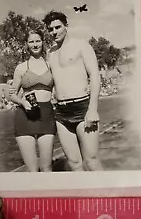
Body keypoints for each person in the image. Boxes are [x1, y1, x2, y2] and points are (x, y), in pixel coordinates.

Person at [43, 10, 103, 171]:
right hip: (61, 113)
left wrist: (92, 109)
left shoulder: (81, 46)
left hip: (82, 107)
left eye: (57, 27)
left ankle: (106, 195)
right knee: (74, 163)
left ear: (66, 26)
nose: (54, 32)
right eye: (50, 29)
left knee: (91, 161)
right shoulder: (50, 53)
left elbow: (95, 77)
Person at [8, 29, 56, 172]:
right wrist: (23, 102)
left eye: (38, 41)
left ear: (43, 42)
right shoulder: (21, 68)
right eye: (31, 41)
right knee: (32, 170)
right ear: (27, 44)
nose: (35, 44)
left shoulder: (51, 65)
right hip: (25, 115)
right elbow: (11, 94)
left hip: (46, 115)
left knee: (47, 167)